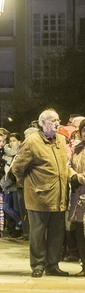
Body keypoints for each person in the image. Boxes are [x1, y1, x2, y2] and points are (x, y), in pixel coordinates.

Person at [11, 109, 70, 278]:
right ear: (42, 123)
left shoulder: (62, 140)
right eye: (52, 120)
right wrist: (30, 186)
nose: (57, 123)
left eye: (58, 119)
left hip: (59, 196)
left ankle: (52, 265)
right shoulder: (32, 142)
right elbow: (17, 169)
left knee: (56, 234)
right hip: (39, 197)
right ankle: (38, 265)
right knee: (37, 234)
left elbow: (64, 166)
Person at [68, 119, 85, 277]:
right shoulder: (78, 149)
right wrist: (72, 175)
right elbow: (70, 166)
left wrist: (79, 178)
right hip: (79, 197)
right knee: (79, 232)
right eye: (84, 130)